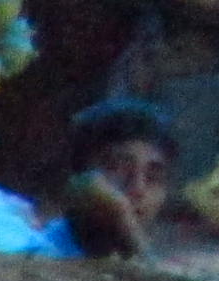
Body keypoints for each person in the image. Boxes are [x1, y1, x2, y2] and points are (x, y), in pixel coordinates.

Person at [47, 98, 176, 257]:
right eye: (119, 169)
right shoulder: (36, 249)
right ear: (78, 176)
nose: (138, 188)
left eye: (153, 177)